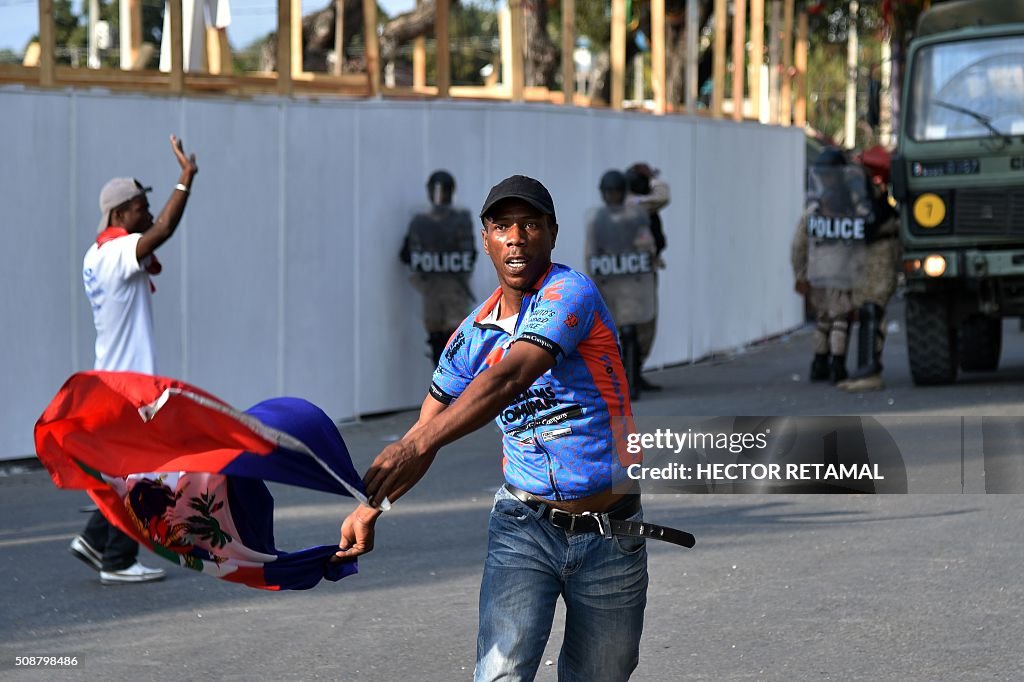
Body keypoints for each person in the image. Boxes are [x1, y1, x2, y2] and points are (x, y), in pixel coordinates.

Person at [336, 175, 677, 681]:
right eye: (502, 226)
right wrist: (373, 505)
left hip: (612, 529)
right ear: (486, 239)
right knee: (500, 673)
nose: (516, 236)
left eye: (530, 225)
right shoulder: (470, 335)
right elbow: (424, 433)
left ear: (552, 233)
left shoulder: (571, 293)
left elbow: (510, 376)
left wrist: (416, 444)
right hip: (523, 527)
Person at [69, 135, 198, 584]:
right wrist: (185, 181)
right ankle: (119, 560)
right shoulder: (116, 252)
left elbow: (153, 234)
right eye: (141, 207)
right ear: (119, 214)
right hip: (129, 385)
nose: (147, 214)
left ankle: (94, 538)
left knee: (126, 467)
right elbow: (162, 230)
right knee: (143, 471)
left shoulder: (98, 254)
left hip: (116, 380)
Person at [791, 147, 872, 384]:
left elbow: (798, 246)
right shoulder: (853, 209)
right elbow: (861, 244)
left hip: (818, 272)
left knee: (823, 320)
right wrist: (861, 274)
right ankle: (837, 364)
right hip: (843, 272)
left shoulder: (813, 211)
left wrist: (800, 273)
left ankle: (819, 362)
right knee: (839, 319)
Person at [585, 170, 658, 399]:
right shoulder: (598, 220)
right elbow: (591, 252)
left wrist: (643, 251)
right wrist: (595, 278)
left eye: (615, 192)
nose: (612, 196)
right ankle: (624, 379)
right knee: (617, 334)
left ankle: (632, 380)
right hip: (611, 283)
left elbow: (646, 243)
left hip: (632, 283)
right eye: (608, 192)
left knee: (631, 331)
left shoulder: (635, 217)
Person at [839, 146, 900, 392]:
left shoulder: (865, 182)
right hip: (871, 248)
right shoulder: (860, 182)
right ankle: (865, 368)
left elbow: (875, 218)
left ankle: (871, 370)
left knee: (873, 307)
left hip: (881, 247)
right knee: (866, 307)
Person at [400, 170, 477, 364]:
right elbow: (407, 253)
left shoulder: (460, 220)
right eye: (436, 192)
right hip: (432, 288)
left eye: (443, 192)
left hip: (454, 288)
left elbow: (470, 253)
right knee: (437, 340)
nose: (439, 197)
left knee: (456, 340)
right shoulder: (421, 221)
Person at [624, 162, 670, 392]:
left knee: (644, 325)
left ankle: (635, 373)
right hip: (631, 273)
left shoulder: (634, 202)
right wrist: (653, 180)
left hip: (643, 269)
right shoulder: (633, 203)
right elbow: (663, 195)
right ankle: (628, 376)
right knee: (637, 325)